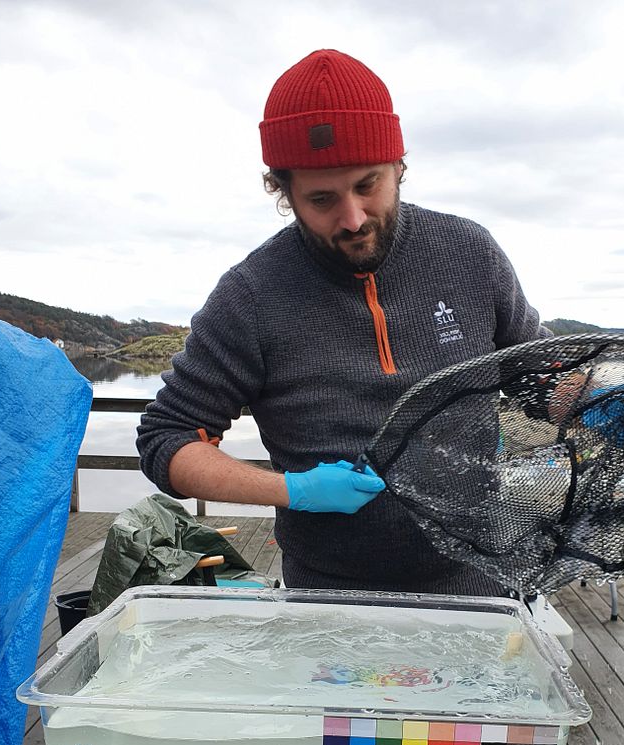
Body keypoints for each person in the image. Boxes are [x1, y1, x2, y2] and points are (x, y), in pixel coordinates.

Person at [137, 49, 549, 595]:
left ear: (399, 165)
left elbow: (538, 371)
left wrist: (603, 399)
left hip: (481, 578)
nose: (352, 219)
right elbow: (167, 439)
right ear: (284, 192)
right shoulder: (252, 294)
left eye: (367, 185)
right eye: (322, 199)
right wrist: (291, 490)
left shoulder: (469, 253)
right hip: (328, 594)